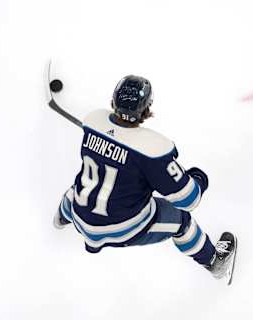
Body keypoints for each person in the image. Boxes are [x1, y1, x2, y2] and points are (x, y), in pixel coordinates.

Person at [53, 75, 237, 282]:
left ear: (113, 101)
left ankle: (62, 216)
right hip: (120, 227)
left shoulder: (93, 120)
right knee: (181, 219)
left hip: (79, 211)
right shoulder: (153, 149)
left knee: (81, 186)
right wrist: (198, 178)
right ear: (147, 110)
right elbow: (189, 199)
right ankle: (214, 261)